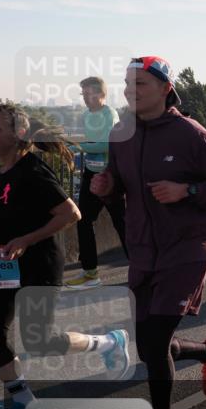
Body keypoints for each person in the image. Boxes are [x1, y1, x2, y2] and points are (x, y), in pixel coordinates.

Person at [91, 56, 206, 409]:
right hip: (143, 251)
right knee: (149, 346)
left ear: (164, 88)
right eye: (127, 84)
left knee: (155, 343)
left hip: (185, 251)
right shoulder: (121, 134)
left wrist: (186, 191)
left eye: (140, 84)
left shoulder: (191, 134)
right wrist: (105, 186)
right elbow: (116, 186)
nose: (130, 91)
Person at [0, 104, 130, 409]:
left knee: (41, 341)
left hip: (39, 266)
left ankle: (108, 343)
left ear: (17, 134)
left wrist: (26, 239)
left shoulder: (32, 171)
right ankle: (25, 405)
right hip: (2, 271)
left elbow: (71, 213)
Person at [65, 76, 128, 289]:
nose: (85, 97)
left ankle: (142, 269)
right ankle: (90, 273)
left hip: (111, 177)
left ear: (101, 94)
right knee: (83, 221)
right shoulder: (85, 116)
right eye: (83, 94)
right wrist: (73, 147)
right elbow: (89, 142)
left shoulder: (109, 114)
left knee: (122, 223)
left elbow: (107, 145)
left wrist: (78, 147)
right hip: (91, 175)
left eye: (88, 93)